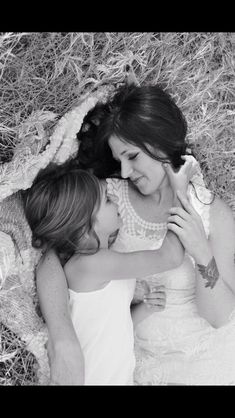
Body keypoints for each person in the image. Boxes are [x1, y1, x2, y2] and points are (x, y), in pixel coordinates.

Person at [36, 83, 235, 385]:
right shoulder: (108, 201)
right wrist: (63, 335)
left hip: (206, 360)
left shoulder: (213, 213)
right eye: (119, 161)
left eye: (132, 157)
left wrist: (202, 252)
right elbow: (52, 253)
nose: (126, 172)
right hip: (133, 369)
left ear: (159, 143)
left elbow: (220, 318)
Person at [24, 161, 188, 385]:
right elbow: (170, 257)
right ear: (85, 225)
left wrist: (144, 310)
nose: (117, 201)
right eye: (108, 200)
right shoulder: (91, 264)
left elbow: (108, 331)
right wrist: (178, 192)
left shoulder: (101, 261)